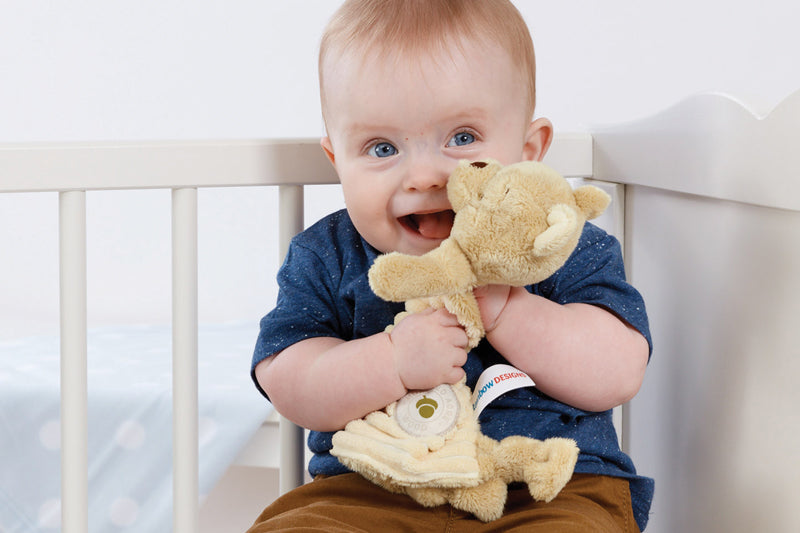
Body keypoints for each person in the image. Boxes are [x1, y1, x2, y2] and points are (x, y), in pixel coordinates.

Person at [248, 1, 653, 531]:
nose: (423, 175)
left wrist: (510, 310)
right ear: (337, 161)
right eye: (381, 147)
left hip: (551, 487)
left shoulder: (561, 241)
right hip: (368, 488)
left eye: (462, 139)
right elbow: (289, 379)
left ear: (529, 150)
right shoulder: (327, 253)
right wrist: (390, 361)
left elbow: (618, 372)